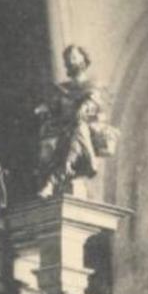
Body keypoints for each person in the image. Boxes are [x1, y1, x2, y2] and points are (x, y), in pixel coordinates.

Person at [36, 44, 118, 198]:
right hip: (64, 127)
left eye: (74, 57)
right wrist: (45, 108)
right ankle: (63, 173)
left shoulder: (93, 85)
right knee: (72, 131)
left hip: (88, 127)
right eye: (68, 59)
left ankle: (52, 181)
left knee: (79, 129)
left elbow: (96, 103)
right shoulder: (62, 88)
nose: (71, 61)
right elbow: (54, 107)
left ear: (84, 59)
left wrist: (86, 107)